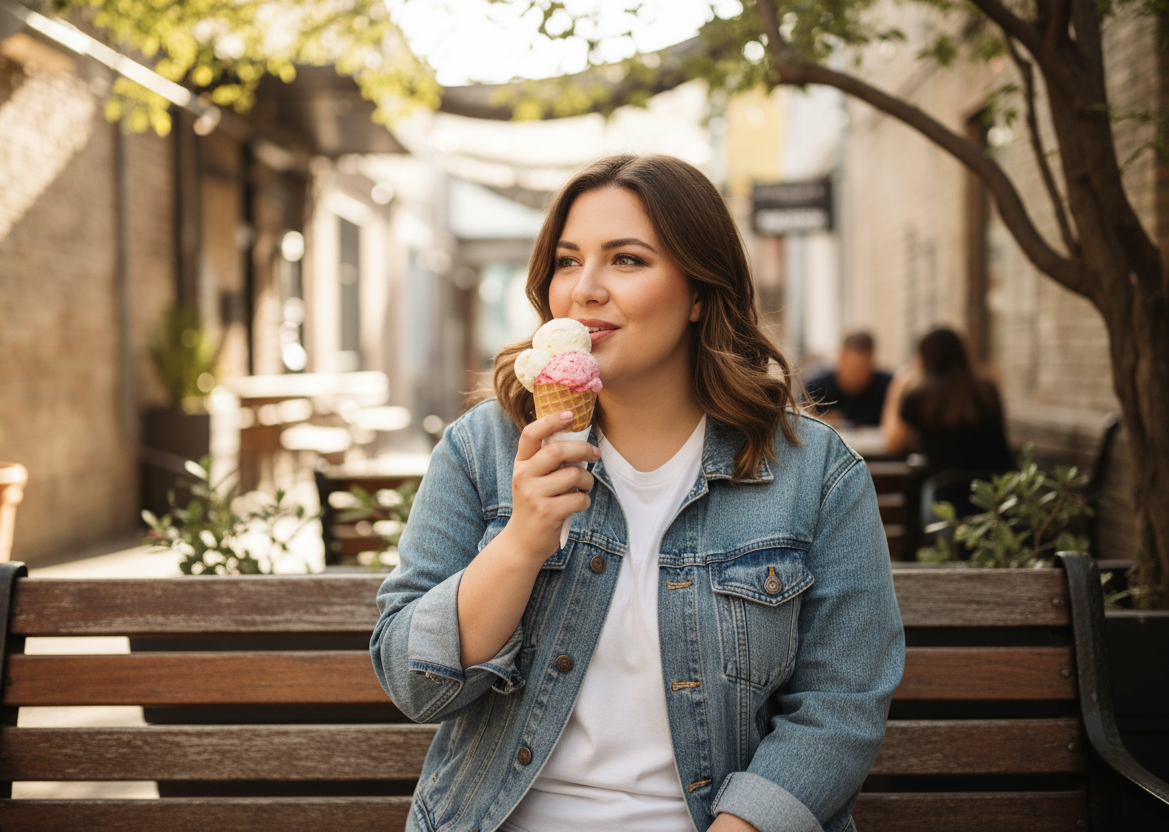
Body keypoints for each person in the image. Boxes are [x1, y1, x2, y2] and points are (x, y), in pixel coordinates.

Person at [371, 154, 904, 832]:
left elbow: (841, 707)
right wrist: (522, 542)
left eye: (626, 260)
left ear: (701, 292)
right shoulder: (483, 450)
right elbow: (414, 686)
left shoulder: (813, 473)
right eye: (567, 261)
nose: (585, 289)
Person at [882, 327, 1015, 517]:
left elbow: (893, 443)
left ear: (923, 357)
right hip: (998, 498)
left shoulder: (921, 395)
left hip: (947, 499)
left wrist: (897, 390)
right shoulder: (988, 390)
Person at [803, 332, 892, 428]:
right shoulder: (816, 388)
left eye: (863, 368)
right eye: (852, 368)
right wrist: (820, 422)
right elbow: (801, 423)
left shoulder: (888, 386)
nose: (857, 375)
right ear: (840, 358)